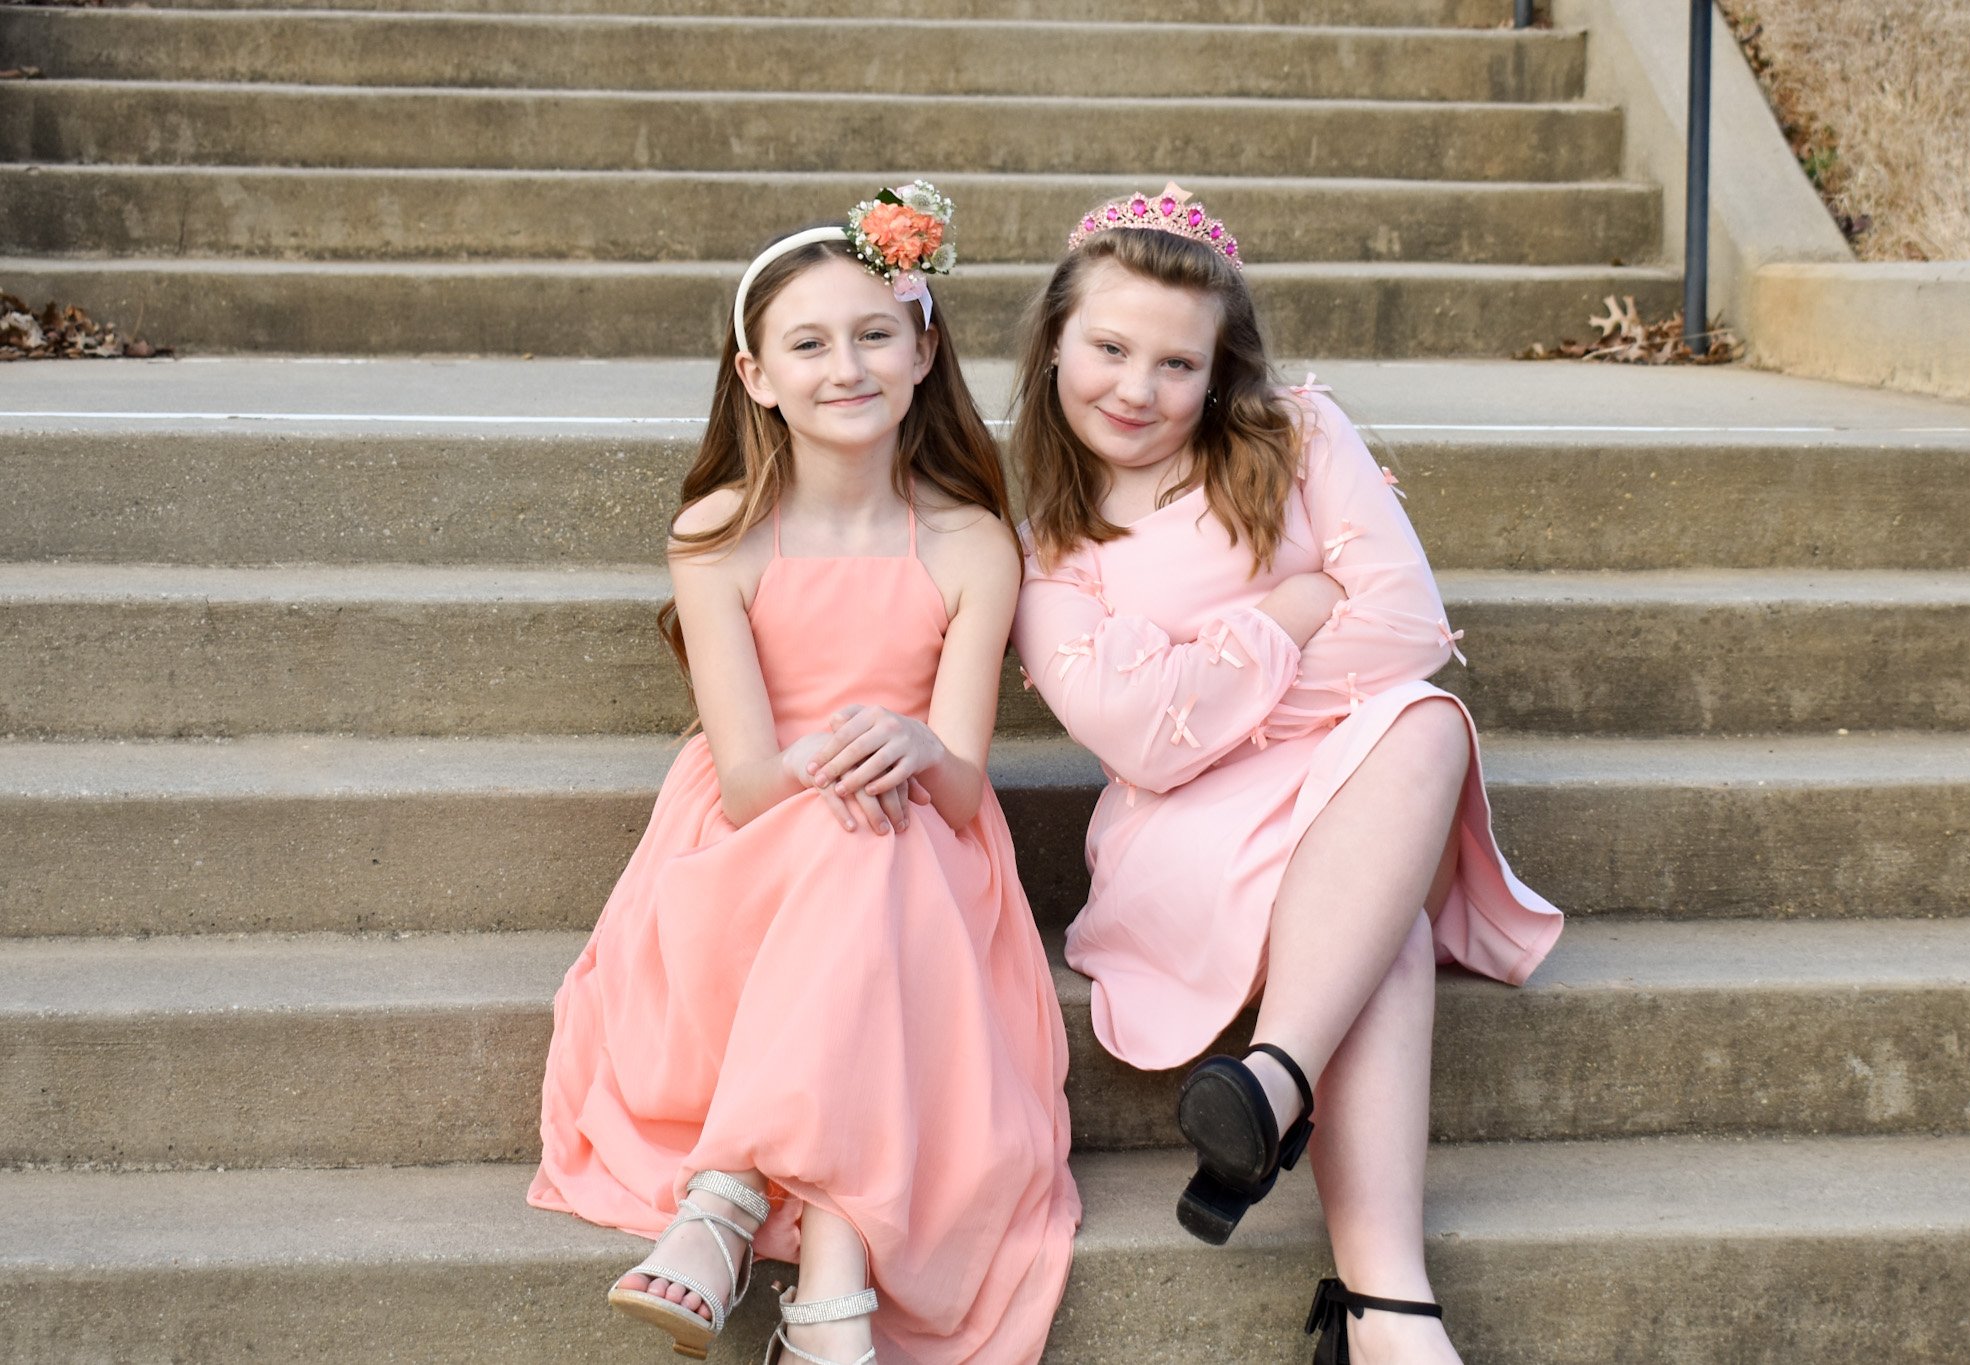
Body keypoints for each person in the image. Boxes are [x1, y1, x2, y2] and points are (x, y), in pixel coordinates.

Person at [1008, 184, 1563, 1365]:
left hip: (1357, 788)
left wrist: (1203, 686)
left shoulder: (1298, 436)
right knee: (1386, 924)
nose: (1135, 388)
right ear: (1055, 339)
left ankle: (1278, 1093)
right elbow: (1140, 745)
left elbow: (1407, 631)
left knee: (1419, 719)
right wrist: (1288, 615)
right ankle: (1384, 1306)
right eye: (1107, 348)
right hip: (1184, 841)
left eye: (1175, 363)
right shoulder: (1049, 552)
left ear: (1218, 373)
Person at [528, 183, 1080, 1365]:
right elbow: (740, 784)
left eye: (876, 333)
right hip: (748, 847)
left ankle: (725, 1204)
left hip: (922, 844)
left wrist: (923, 747)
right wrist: (842, 766)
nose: (848, 365)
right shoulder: (719, 535)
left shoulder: (971, 541)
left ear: (924, 350)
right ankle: (828, 1291)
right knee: (843, 830)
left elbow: (966, 787)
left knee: (873, 834)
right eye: (809, 343)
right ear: (755, 374)